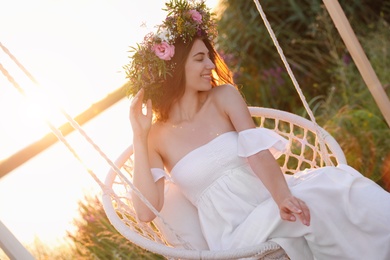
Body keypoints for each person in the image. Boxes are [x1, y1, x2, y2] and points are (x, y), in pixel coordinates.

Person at [125, 1, 390, 259]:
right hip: (236, 235)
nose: (211, 65)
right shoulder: (156, 137)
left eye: (209, 57)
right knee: (322, 196)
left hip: (271, 201)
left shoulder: (224, 97)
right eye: (199, 59)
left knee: (337, 183)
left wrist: (283, 197)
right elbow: (146, 212)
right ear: (176, 68)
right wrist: (139, 136)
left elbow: (258, 154)